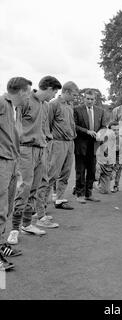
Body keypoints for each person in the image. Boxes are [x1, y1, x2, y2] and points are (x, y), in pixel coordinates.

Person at [7, 76, 62, 246]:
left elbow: (45, 126)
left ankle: (26, 224)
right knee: (24, 188)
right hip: (25, 149)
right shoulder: (25, 100)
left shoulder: (45, 106)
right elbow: (16, 124)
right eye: (54, 92)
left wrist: (47, 139)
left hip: (41, 150)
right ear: (48, 88)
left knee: (35, 188)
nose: (54, 96)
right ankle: (14, 229)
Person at [35, 81, 79, 228]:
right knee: (51, 176)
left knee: (65, 174)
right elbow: (47, 124)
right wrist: (50, 140)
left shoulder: (69, 105)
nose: (75, 97)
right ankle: (40, 209)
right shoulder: (54, 104)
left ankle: (59, 200)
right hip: (57, 143)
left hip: (70, 143)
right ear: (66, 92)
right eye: (73, 94)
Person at [0, 77, 32, 270]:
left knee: (7, 207)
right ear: (21, 92)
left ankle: (1, 244)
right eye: (28, 92)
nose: (29, 96)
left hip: (11, 162)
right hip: (2, 161)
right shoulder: (2, 103)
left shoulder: (14, 109)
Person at [73, 89, 106, 203]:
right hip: (81, 144)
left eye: (92, 99)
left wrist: (101, 133)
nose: (89, 101)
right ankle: (79, 194)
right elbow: (74, 126)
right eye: (87, 98)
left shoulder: (100, 111)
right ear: (84, 98)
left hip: (94, 145)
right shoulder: (77, 110)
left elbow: (103, 126)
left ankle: (89, 193)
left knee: (92, 171)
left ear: (95, 100)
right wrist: (87, 131)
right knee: (80, 171)